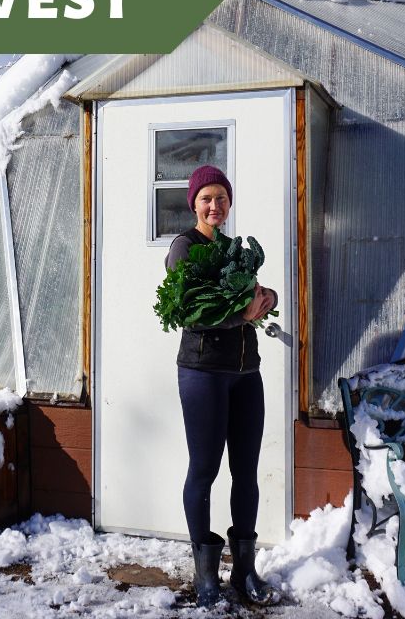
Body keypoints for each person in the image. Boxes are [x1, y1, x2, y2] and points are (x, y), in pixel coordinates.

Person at [164, 164, 283, 608]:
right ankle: (206, 574)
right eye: (207, 198)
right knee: (205, 469)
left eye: (222, 197)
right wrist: (243, 315)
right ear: (193, 203)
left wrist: (266, 296)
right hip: (203, 373)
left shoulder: (235, 249)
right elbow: (190, 310)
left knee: (246, 472)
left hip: (246, 372)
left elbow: (247, 295)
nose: (215, 205)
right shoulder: (184, 247)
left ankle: (245, 570)